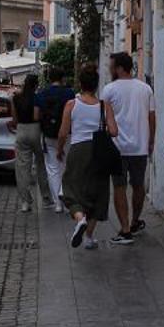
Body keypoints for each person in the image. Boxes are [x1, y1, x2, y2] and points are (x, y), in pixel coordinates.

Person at [55, 65, 117, 250]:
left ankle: (79, 218)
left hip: (78, 150)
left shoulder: (71, 105)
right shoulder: (105, 106)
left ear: (80, 84)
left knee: (70, 188)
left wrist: (59, 150)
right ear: (97, 85)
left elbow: (63, 133)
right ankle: (89, 237)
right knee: (98, 192)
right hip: (99, 151)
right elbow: (114, 131)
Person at [99, 51, 156, 245]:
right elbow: (152, 118)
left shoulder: (109, 90)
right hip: (140, 145)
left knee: (119, 187)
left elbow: (103, 119)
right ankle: (134, 221)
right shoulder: (146, 89)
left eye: (112, 65)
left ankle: (124, 230)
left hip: (117, 147)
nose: (109, 68)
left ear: (120, 68)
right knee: (138, 185)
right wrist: (151, 141)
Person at [36, 65, 75, 212]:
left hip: (49, 134)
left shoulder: (43, 93)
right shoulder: (69, 93)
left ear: (49, 78)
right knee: (65, 165)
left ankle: (57, 203)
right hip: (66, 133)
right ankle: (63, 193)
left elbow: (38, 114)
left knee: (52, 168)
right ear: (63, 78)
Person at [8, 73, 49, 212]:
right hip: (35, 130)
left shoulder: (16, 98)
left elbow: (14, 119)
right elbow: (36, 116)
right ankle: (46, 197)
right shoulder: (37, 97)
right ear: (36, 85)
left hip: (21, 130)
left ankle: (25, 202)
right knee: (41, 165)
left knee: (22, 168)